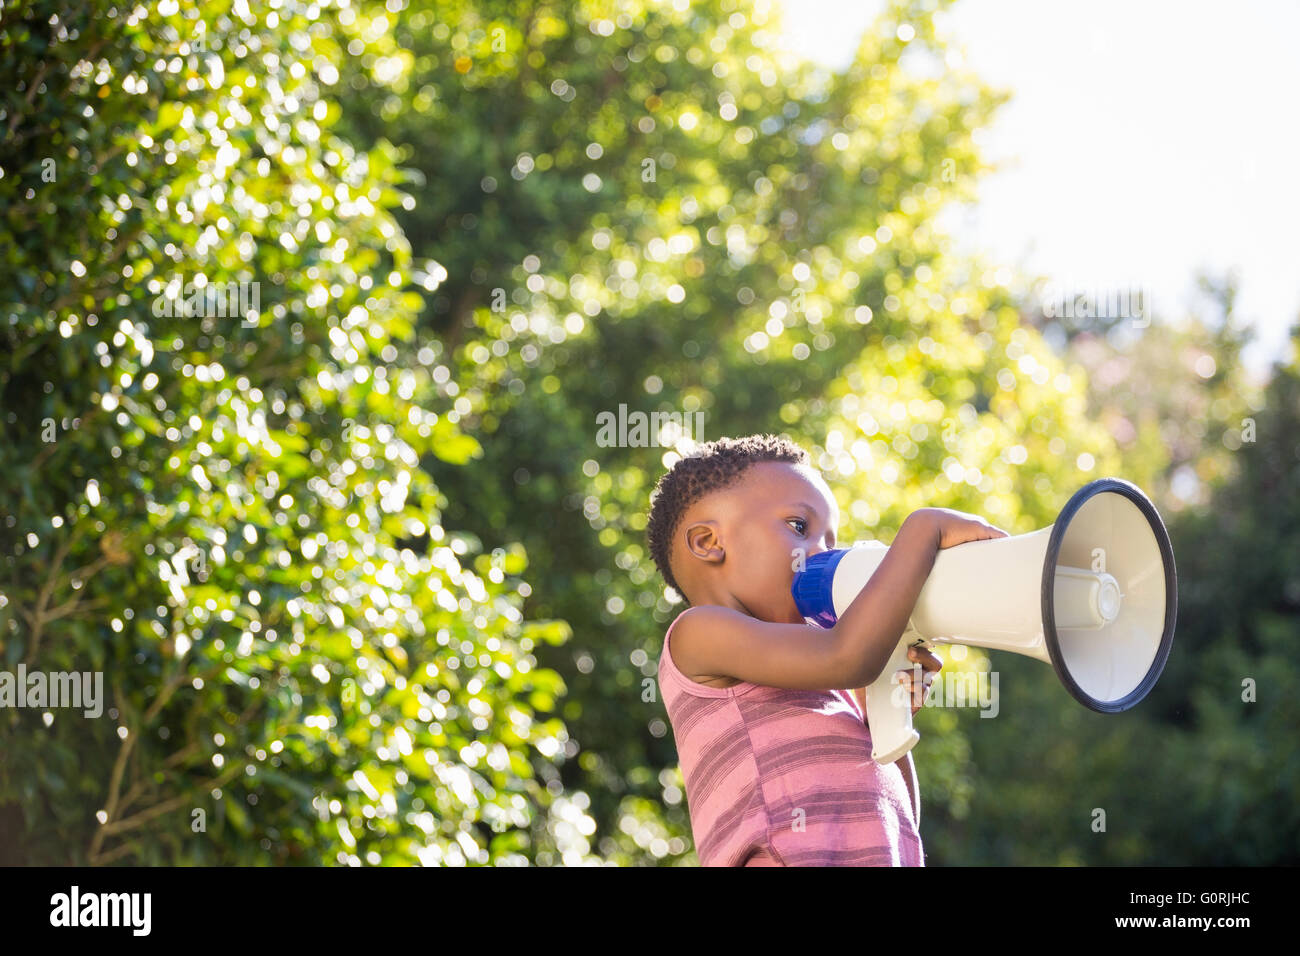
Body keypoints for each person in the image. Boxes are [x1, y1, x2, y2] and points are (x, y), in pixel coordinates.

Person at [647, 433, 1007, 865]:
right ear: (708, 542)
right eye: (799, 527)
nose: (822, 554)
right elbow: (847, 656)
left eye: (831, 543)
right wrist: (922, 531)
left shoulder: (832, 678)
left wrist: (881, 719)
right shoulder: (699, 633)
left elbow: (897, 817)